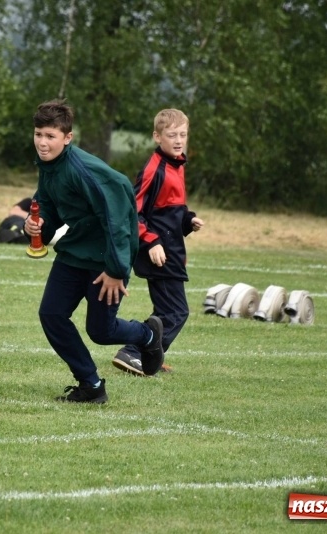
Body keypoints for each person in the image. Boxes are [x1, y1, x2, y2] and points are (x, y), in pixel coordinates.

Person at [24, 100, 165, 404]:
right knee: (51, 314)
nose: (43, 142)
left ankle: (148, 335)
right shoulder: (48, 166)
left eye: (50, 136)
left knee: (101, 331)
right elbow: (47, 204)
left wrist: (116, 270)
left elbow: (118, 219)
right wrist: (37, 225)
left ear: (67, 138)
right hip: (75, 251)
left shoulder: (84, 170)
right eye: (38, 134)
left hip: (106, 258)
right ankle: (91, 385)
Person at [112, 109, 204, 376]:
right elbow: (134, 211)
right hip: (159, 252)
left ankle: (150, 356)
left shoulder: (177, 165)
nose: (179, 140)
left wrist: (188, 220)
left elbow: (169, 210)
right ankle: (134, 352)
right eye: (172, 135)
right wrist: (151, 242)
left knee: (166, 310)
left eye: (183, 135)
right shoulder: (155, 169)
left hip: (171, 249)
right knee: (176, 312)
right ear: (157, 136)